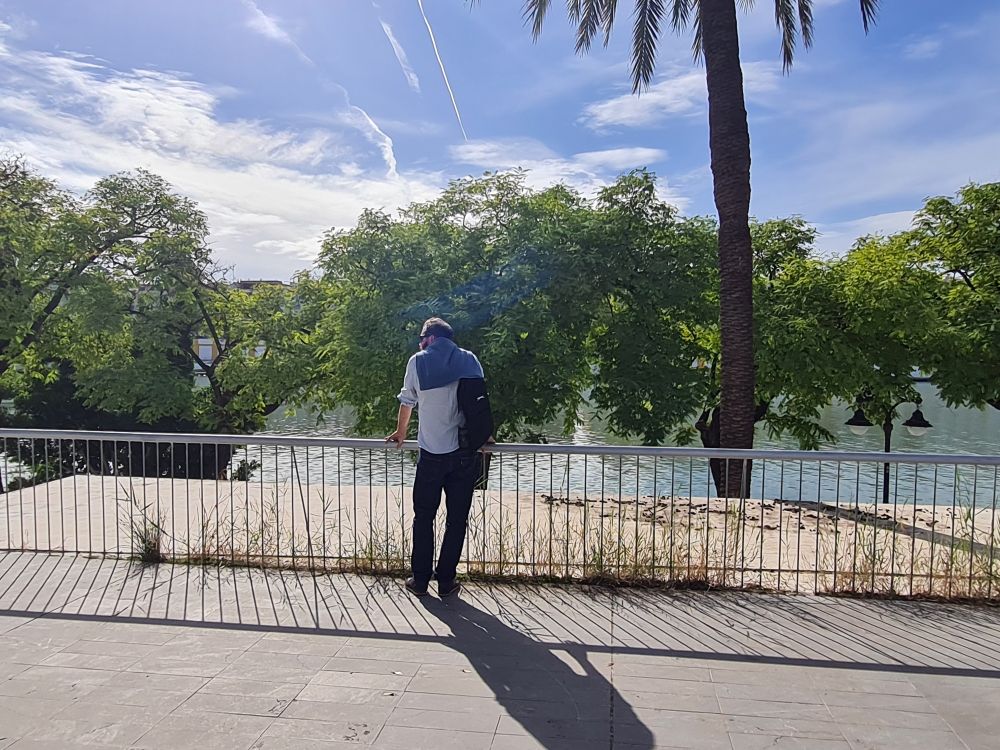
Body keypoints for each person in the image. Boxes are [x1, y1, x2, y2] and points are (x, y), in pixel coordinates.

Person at [385, 317, 485, 598]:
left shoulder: (417, 361)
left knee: (424, 517)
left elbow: (407, 401)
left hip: (431, 455)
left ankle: (419, 581)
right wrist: (485, 435)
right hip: (464, 454)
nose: (419, 344)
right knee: (456, 520)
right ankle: (446, 580)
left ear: (430, 338)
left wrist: (400, 433)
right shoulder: (470, 360)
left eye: (421, 339)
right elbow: (479, 404)